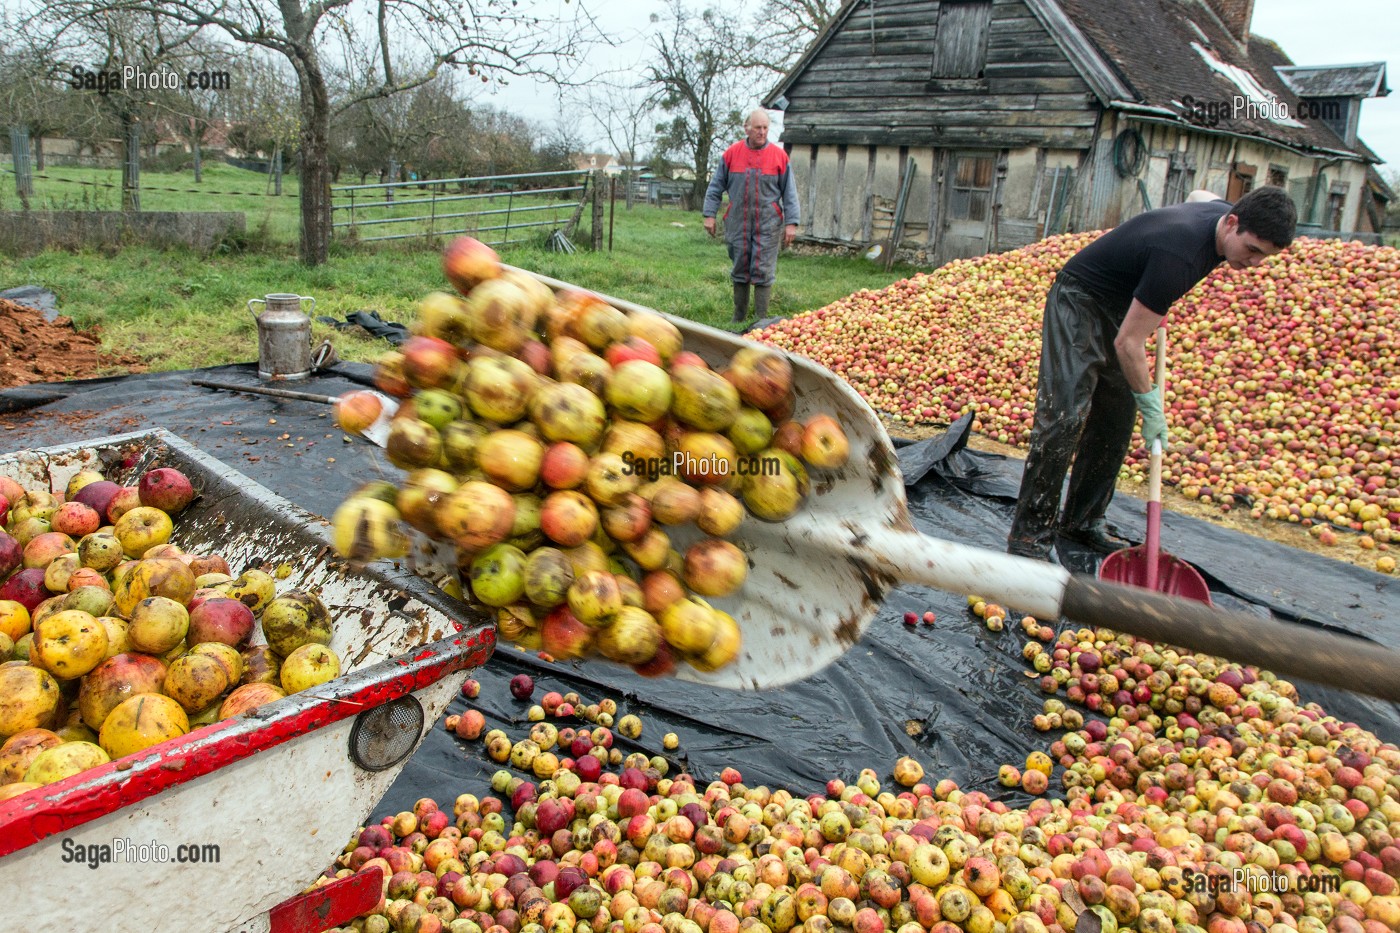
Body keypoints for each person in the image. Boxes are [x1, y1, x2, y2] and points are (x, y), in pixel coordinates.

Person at [1006, 186, 1297, 561]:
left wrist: (1148, 279)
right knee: (1063, 417)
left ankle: (1083, 520)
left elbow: (1197, 195)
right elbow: (1129, 344)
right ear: (1232, 223)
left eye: (1265, 257)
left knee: (1116, 417)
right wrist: (1150, 403)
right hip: (1079, 299)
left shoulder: (1221, 214)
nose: (1254, 263)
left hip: (1122, 304)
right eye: (1253, 250)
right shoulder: (1179, 257)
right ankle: (1030, 536)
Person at [702, 110, 800, 323]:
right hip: (738, 222)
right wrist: (709, 214)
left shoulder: (779, 156)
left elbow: (790, 192)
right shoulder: (731, 154)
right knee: (740, 267)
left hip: (768, 223)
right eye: (758, 128)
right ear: (747, 128)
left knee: (763, 270)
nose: (762, 132)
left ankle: (761, 319)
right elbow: (715, 186)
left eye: (765, 128)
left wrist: (792, 222)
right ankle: (739, 317)